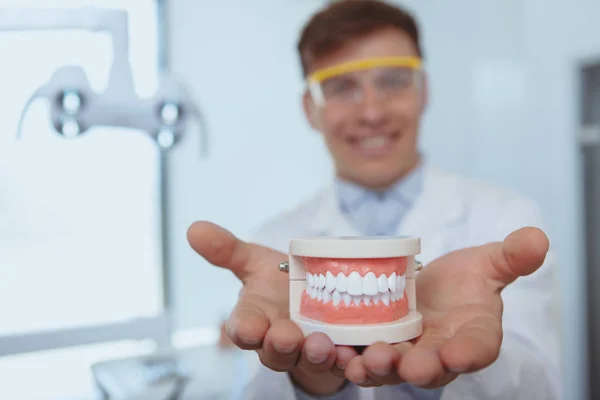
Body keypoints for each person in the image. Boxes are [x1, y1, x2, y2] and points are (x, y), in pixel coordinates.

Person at [191, 0, 561, 398]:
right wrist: (310, 383)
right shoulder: (275, 240)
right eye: (341, 88)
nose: (371, 111)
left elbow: (540, 382)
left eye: (393, 81)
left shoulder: (504, 219)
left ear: (424, 92)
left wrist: (460, 370)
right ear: (310, 110)